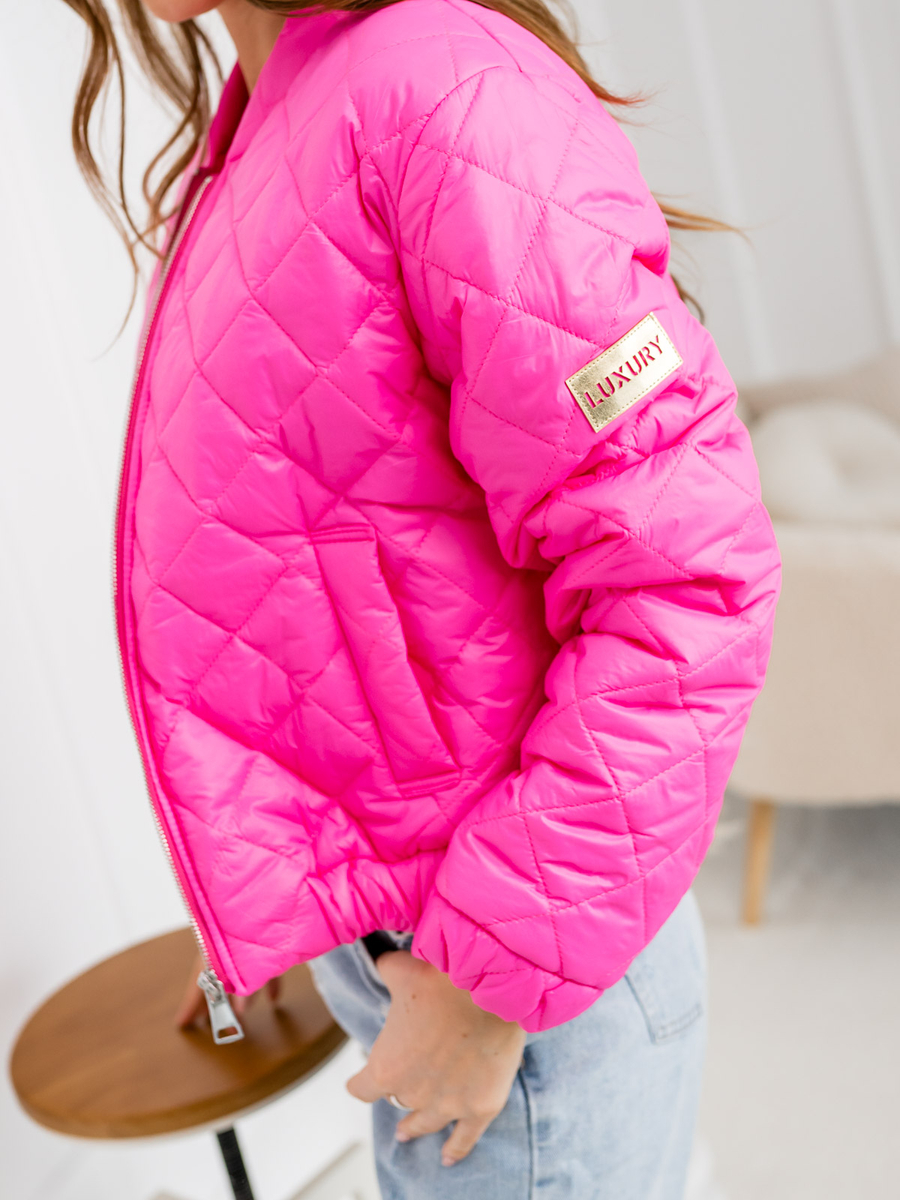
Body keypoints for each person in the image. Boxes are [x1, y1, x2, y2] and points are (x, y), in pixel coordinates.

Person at [66, 0, 781, 1195]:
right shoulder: (277, 116)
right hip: (428, 940)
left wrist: (487, 980)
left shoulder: (437, 91)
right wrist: (283, 875)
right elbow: (323, 561)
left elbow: (683, 578)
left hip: (507, 972)